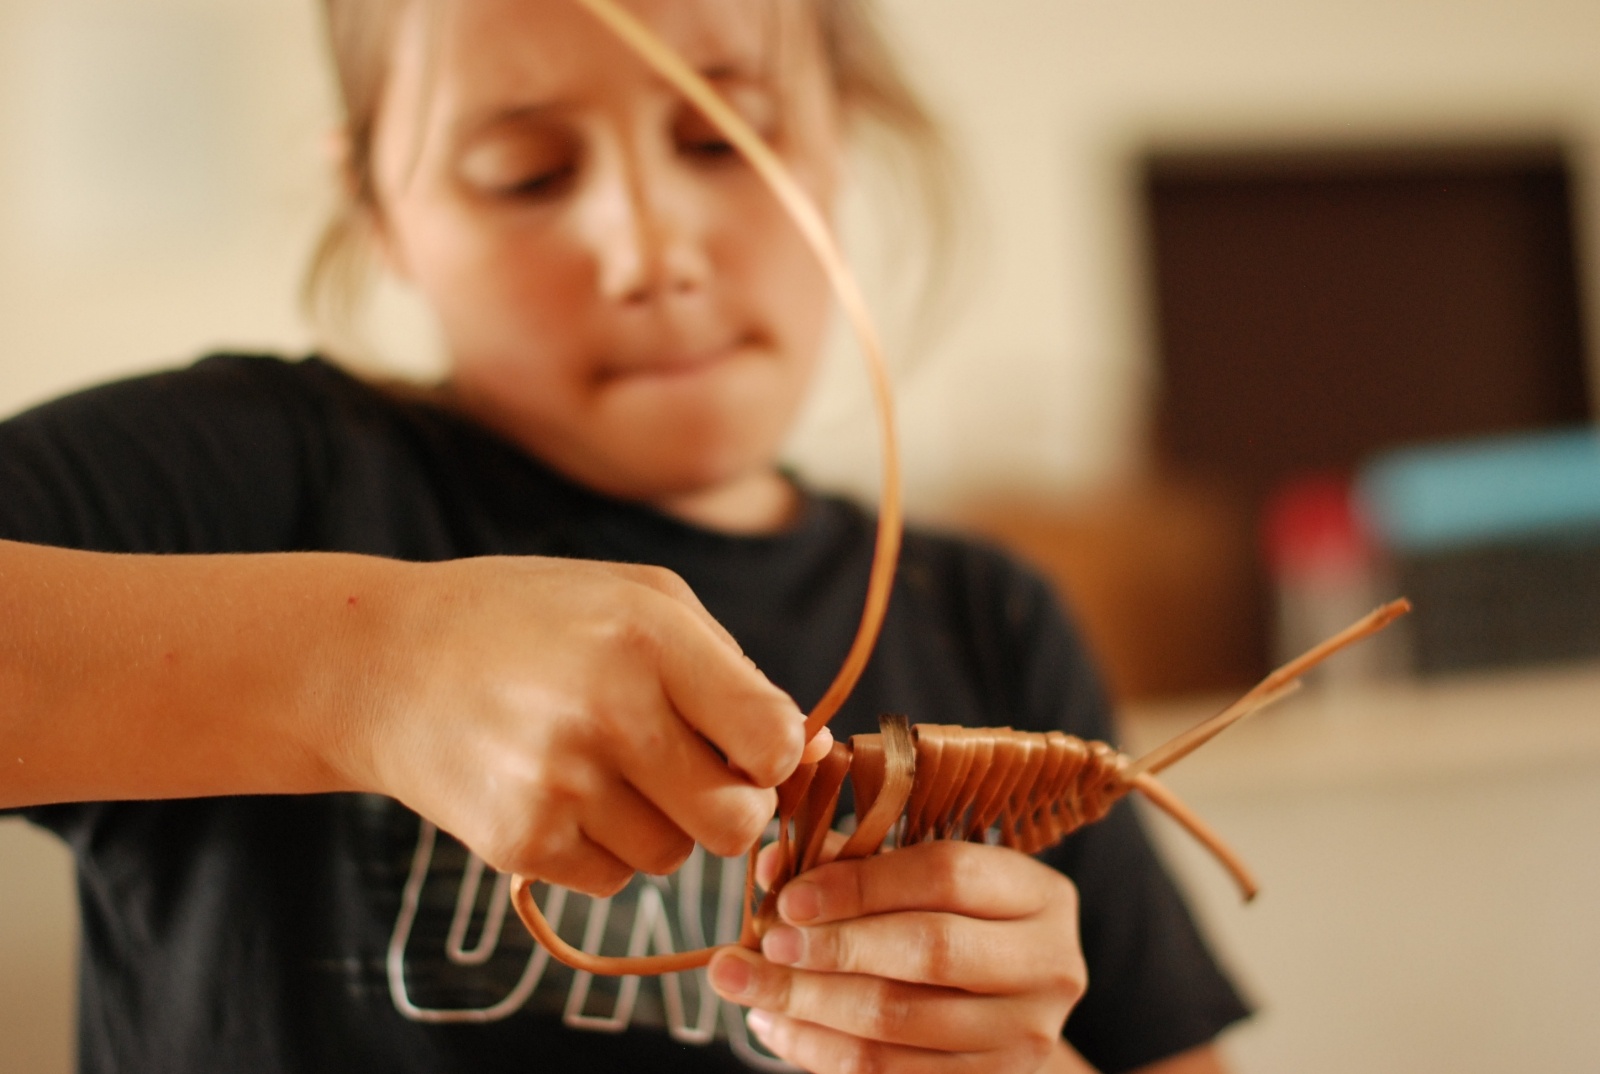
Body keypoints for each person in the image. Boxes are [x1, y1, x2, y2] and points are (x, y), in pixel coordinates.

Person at [0, 1, 1248, 1071]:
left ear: (841, 137)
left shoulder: (988, 618)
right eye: (527, 175)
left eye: (724, 137)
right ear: (378, 206)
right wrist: (359, 668)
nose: (650, 248)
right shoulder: (242, 483)